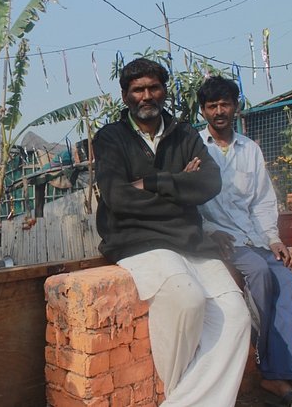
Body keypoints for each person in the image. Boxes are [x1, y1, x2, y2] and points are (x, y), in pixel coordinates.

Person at [93, 58, 251, 406]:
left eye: (153, 88)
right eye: (138, 89)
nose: (146, 95)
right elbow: (117, 198)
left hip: (189, 241)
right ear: (125, 95)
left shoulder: (184, 134)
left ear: (164, 91)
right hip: (137, 241)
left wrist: (152, 181)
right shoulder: (110, 138)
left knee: (237, 318)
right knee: (186, 298)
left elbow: (209, 182)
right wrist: (181, 190)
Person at [197, 76, 292, 407]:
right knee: (260, 274)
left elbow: (262, 200)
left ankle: (285, 368)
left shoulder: (250, 148)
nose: (219, 111)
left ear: (236, 106)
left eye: (225, 104)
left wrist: (274, 238)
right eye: (212, 105)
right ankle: (269, 369)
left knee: (286, 278)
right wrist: (208, 232)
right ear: (204, 111)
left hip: (253, 234)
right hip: (223, 236)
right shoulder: (195, 148)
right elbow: (188, 202)